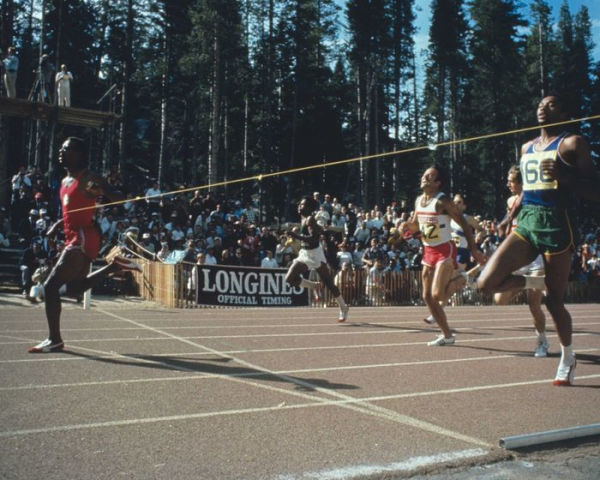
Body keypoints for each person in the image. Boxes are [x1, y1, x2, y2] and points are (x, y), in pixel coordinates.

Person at [476, 94, 598, 385]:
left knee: (555, 302)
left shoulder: (573, 143)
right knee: (485, 283)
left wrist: (566, 177)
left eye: (552, 104)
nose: (543, 107)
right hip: (528, 221)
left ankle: (568, 357)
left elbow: (595, 190)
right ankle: (533, 282)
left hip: (558, 223)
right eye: (540, 104)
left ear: (565, 113)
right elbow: (525, 191)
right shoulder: (527, 146)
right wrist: (508, 219)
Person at [28, 137, 140, 353]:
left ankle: (55, 340)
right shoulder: (64, 181)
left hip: (83, 237)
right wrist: (57, 225)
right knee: (72, 289)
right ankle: (114, 267)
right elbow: (71, 212)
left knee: (51, 287)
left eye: (66, 148)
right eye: (60, 147)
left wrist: (105, 191)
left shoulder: (88, 177)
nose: (60, 151)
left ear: (78, 153)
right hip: (74, 236)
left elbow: (116, 196)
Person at [400, 165, 485, 346]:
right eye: (424, 175)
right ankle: (447, 336)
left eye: (430, 177)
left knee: (437, 294)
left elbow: (463, 222)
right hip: (428, 251)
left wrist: (474, 249)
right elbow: (416, 225)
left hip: (445, 250)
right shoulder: (418, 201)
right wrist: (405, 226)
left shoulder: (442, 201)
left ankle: (461, 278)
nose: (424, 178)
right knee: (427, 297)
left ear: (438, 183)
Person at [492, 165, 549, 357]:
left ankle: (541, 341)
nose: (507, 184)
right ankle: (534, 283)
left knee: (534, 304)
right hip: (518, 259)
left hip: (535, 257)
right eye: (507, 180)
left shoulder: (533, 199)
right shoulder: (510, 201)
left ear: (521, 183)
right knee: (499, 299)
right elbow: (510, 228)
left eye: (511, 181)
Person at [285, 196, 349, 322]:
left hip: (315, 253)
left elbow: (313, 239)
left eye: (302, 205)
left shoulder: (310, 220)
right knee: (289, 279)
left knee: (329, 283)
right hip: (304, 253)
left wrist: (295, 235)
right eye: (299, 204)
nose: (299, 206)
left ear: (309, 208)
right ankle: (313, 286)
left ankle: (343, 306)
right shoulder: (303, 217)